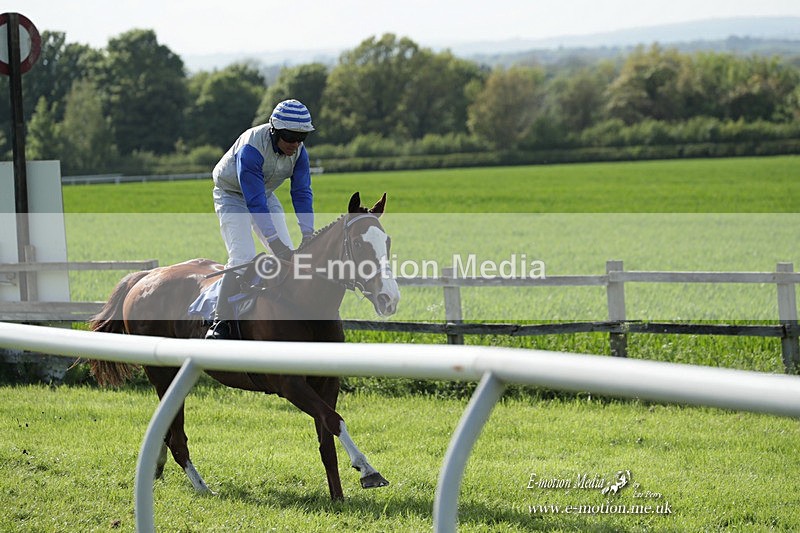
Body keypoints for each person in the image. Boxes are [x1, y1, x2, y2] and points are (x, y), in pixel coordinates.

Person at [205, 99, 316, 339]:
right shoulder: (251, 148)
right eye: (289, 137)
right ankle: (219, 321)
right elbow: (254, 203)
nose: (295, 144)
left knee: (286, 254)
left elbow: (302, 192)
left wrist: (308, 233)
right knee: (243, 255)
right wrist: (274, 242)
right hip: (232, 195)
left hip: (264, 193)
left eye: (301, 138)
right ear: (274, 130)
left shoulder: (299, 153)